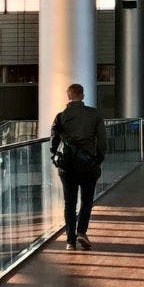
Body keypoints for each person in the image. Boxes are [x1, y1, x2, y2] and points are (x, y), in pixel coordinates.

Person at [49, 83, 107, 250]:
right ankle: (82, 232)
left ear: (68, 96)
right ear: (82, 95)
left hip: (66, 166)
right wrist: (99, 159)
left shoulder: (61, 116)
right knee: (87, 200)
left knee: (69, 202)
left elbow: (54, 141)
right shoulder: (94, 114)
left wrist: (55, 157)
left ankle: (70, 240)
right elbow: (102, 141)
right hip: (88, 164)